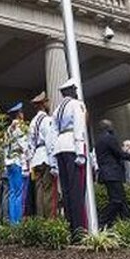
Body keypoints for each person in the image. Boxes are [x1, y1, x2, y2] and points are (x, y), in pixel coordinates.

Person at [52, 78, 88, 241]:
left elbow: (53, 133)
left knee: (66, 191)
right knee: (76, 190)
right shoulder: (76, 104)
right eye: (74, 89)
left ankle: (70, 227)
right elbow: (79, 126)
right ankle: (79, 230)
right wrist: (80, 151)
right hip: (72, 146)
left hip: (60, 147)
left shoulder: (57, 109)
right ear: (72, 90)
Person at [94, 119, 130, 227]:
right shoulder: (109, 138)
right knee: (117, 200)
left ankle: (128, 223)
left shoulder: (98, 140)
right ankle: (102, 221)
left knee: (122, 200)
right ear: (108, 127)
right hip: (112, 173)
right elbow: (119, 153)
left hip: (107, 174)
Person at [27, 92, 57, 218]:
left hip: (36, 158)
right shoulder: (48, 120)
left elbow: (30, 144)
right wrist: (54, 161)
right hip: (46, 157)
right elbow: (50, 141)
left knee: (38, 191)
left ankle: (40, 219)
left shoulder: (33, 122)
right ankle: (49, 221)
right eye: (47, 102)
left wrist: (30, 161)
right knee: (48, 191)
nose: (49, 104)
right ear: (43, 104)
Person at [3, 102, 28, 225]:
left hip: (9, 162)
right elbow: (24, 145)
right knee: (18, 193)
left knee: (12, 193)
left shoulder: (8, 129)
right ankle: (17, 222)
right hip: (17, 161)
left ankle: (13, 221)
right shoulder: (20, 127)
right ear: (19, 114)